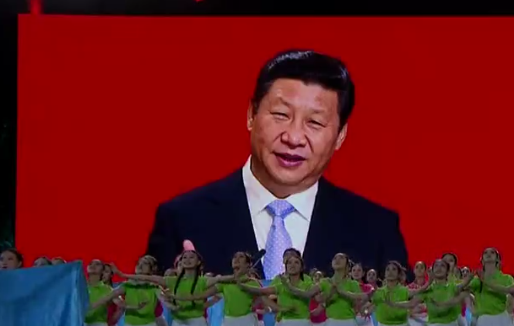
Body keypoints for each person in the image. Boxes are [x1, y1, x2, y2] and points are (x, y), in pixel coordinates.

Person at [144, 50, 410, 278]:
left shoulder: (376, 231)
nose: (293, 137)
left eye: (314, 122)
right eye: (281, 114)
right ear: (251, 114)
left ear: (340, 135)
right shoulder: (182, 221)